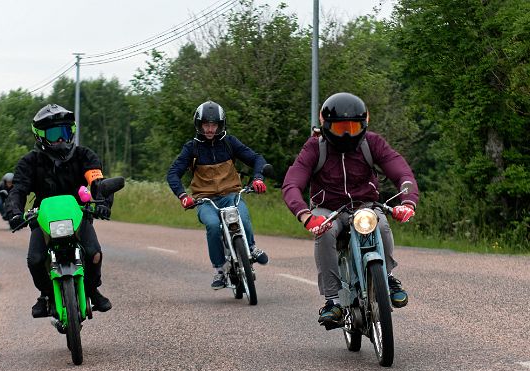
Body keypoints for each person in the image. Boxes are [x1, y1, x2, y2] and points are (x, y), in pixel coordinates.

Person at [282, 92, 419, 328]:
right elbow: (292, 183)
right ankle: (332, 300)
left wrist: (407, 202)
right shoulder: (315, 147)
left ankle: (386, 277)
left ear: (364, 123)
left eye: (353, 127)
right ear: (326, 125)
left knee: (381, 224)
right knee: (324, 232)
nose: (347, 134)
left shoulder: (372, 143)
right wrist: (307, 216)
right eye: (340, 127)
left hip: (365, 206)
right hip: (328, 209)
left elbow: (401, 172)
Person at [5, 104, 114, 318]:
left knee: (94, 254)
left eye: (64, 132)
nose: (61, 140)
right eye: (54, 134)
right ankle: (46, 294)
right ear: (41, 136)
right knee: (35, 260)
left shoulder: (85, 156)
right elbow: (18, 189)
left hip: (78, 214)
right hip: (43, 217)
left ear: (71, 132)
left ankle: (92, 289)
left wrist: (102, 202)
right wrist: (15, 212)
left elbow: (97, 182)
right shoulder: (30, 162)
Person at [167, 100, 269, 289]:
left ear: (221, 125)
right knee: (213, 226)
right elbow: (173, 173)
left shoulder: (230, 143)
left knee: (243, 216)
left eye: (214, 125)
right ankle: (220, 270)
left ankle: (252, 248)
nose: (210, 129)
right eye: (206, 124)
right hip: (204, 200)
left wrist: (258, 178)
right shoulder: (192, 148)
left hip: (231, 194)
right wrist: (183, 195)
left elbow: (257, 159)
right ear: (199, 124)